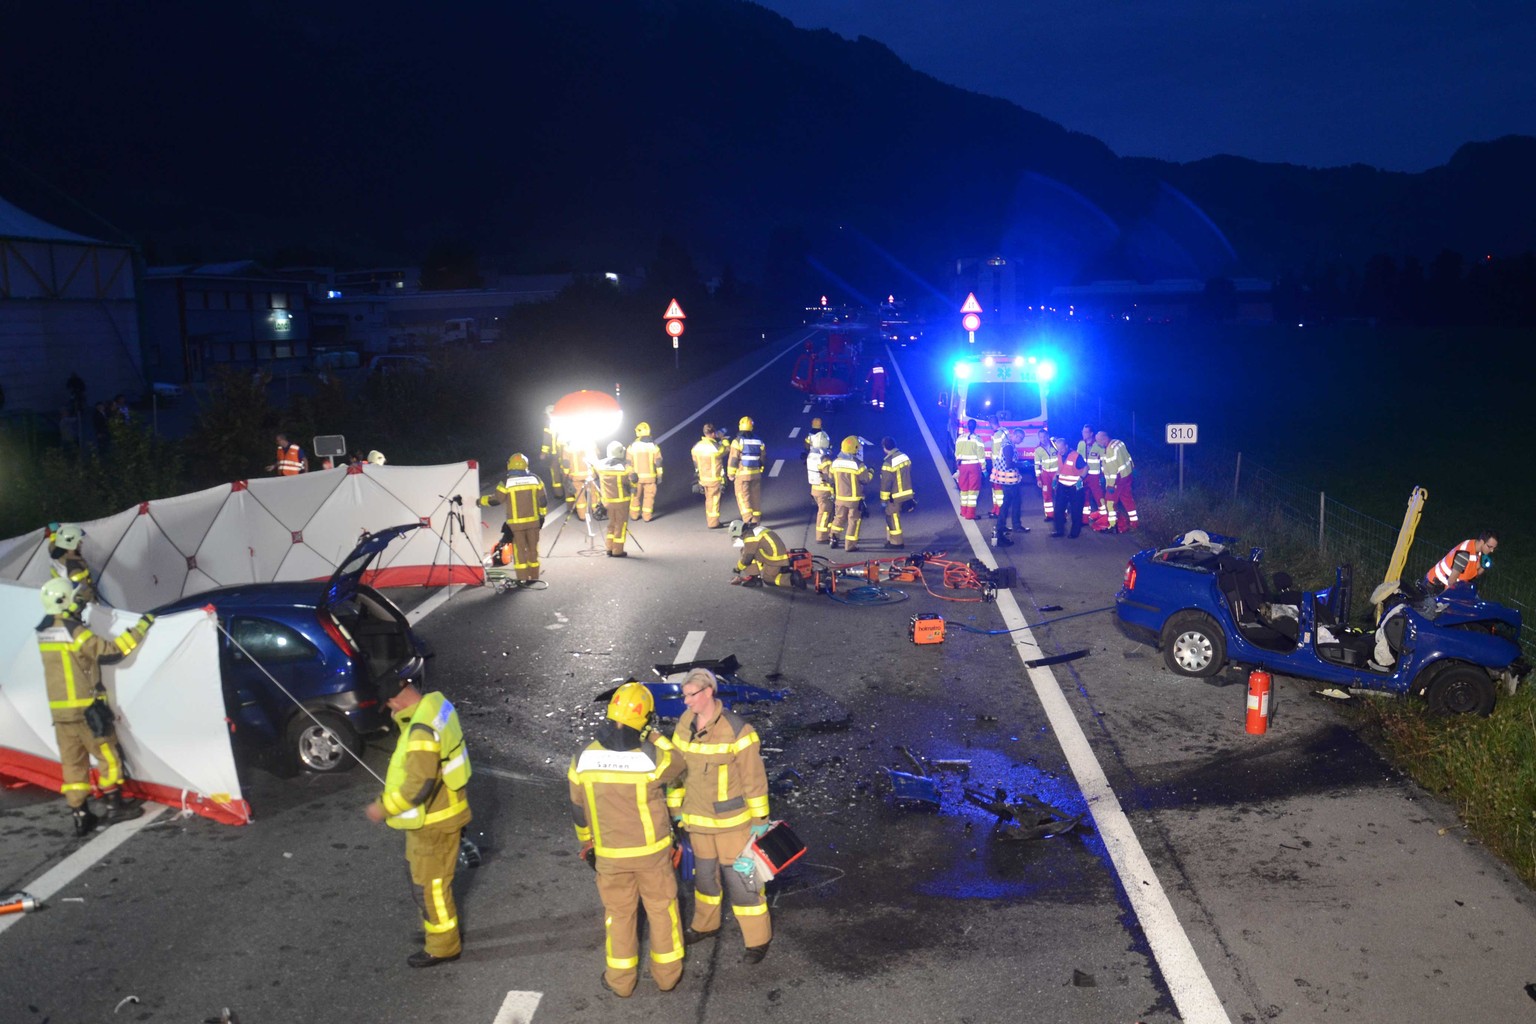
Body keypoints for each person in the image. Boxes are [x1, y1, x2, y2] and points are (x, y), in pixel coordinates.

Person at [568, 682, 686, 998]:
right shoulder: (650, 757)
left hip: (609, 855)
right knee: (662, 911)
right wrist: (656, 735)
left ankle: (620, 981)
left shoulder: (583, 757)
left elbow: (579, 809)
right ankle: (667, 977)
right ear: (643, 720)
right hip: (652, 853)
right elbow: (679, 763)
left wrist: (587, 843)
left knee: (618, 916)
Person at [365, 677, 472, 968]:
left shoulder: (420, 732)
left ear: (396, 700)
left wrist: (382, 808)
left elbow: (418, 787)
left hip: (433, 822)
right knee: (425, 881)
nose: (390, 712)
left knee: (431, 888)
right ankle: (436, 929)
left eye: (389, 706)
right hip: (446, 811)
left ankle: (442, 945)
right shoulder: (437, 705)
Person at [35, 578, 153, 837]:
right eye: (76, 599)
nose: (79, 603)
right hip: (85, 710)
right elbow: (110, 652)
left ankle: (80, 815)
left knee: (72, 764)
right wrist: (141, 628)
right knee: (107, 756)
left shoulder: (44, 631)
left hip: (60, 713)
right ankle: (114, 807)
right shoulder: (73, 630)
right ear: (65, 601)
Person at [670, 667, 773, 964]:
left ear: (708, 692)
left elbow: (754, 781)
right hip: (698, 823)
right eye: (684, 695)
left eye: (691, 695)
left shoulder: (738, 730)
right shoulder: (684, 724)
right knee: (704, 880)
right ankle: (705, 925)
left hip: (733, 826)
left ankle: (758, 940)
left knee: (743, 884)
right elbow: (677, 772)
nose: (686, 702)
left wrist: (760, 823)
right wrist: (676, 810)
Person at [478, 453, 549, 583]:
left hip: (516, 525)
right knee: (533, 549)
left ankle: (522, 578)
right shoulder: (536, 479)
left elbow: (496, 500)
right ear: (525, 465)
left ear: (509, 465)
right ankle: (534, 577)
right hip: (533, 522)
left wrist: (480, 501)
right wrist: (542, 516)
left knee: (519, 551)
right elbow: (543, 501)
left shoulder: (506, 482)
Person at [824, 435, 873, 552]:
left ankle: (833, 538)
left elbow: (831, 477)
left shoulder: (835, 463)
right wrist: (871, 472)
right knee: (853, 521)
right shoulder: (858, 465)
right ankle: (850, 545)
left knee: (838, 518)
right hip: (854, 500)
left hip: (840, 498)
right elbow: (865, 480)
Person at [595, 440, 637, 557]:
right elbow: (634, 478)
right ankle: (617, 550)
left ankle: (609, 548)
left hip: (606, 502)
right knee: (620, 526)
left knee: (611, 525)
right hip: (621, 502)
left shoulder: (600, 466)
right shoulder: (625, 467)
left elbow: (593, 473)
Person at [48, 523, 104, 611]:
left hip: (65, 601)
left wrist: (55, 532)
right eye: (78, 541)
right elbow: (84, 593)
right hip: (81, 607)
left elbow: (53, 544)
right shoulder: (74, 566)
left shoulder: (57, 554)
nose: (81, 543)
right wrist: (96, 606)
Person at [1425, 533, 1498, 595]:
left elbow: (1473, 575)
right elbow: (1451, 581)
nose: (1491, 551)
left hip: (1450, 586)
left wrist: (1483, 567)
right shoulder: (1464, 554)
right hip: (1435, 586)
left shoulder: (1477, 550)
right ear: (1482, 542)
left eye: (1494, 548)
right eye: (1489, 547)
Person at [729, 519, 796, 587]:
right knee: (745, 550)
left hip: (774, 558)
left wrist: (738, 568)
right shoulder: (754, 529)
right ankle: (758, 576)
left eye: (737, 536)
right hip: (778, 553)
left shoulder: (750, 537)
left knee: (767, 579)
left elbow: (747, 558)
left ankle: (792, 579)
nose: (739, 538)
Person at [727, 416, 765, 528]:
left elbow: (733, 459)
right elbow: (763, 457)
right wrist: (760, 470)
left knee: (743, 497)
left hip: (742, 475)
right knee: (755, 498)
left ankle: (749, 521)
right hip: (756, 474)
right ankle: (757, 522)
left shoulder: (737, 441)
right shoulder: (759, 440)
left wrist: (731, 474)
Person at [879, 436, 915, 549]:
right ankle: (891, 539)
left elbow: (886, 483)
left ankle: (896, 542)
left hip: (895, 495)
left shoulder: (888, 463)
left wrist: (883, 499)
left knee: (892, 517)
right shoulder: (904, 457)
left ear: (885, 448)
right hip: (907, 492)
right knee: (893, 516)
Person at [1098, 430, 1138, 531]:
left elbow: (1112, 470)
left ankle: (1113, 525)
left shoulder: (1110, 450)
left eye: (1098, 440)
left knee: (1110, 502)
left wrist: (1110, 485)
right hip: (1127, 475)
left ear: (1104, 438)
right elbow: (1128, 457)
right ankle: (1134, 523)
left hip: (1117, 479)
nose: (1098, 443)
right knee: (1127, 499)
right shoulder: (1119, 443)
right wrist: (1133, 469)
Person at [691, 423, 728, 528]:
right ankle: (713, 523)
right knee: (714, 500)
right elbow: (726, 449)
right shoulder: (715, 447)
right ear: (713, 433)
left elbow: (695, 461)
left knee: (709, 500)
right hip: (714, 478)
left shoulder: (696, 447)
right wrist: (723, 438)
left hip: (702, 478)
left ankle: (711, 520)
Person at [991, 436, 1026, 548]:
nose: (1021, 440)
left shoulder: (1008, 444)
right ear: (1016, 435)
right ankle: (1002, 529)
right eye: (1021, 438)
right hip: (1009, 480)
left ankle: (1008, 526)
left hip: (1008, 479)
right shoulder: (1008, 446)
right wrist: (1022, 464)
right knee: (1010, 503)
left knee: (1010, 502)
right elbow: (1009, 464)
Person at [627, 422, 663, 522]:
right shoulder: (654, 446)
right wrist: (659, 475)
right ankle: (647, 516)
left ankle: (634, 515)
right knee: (649, 498)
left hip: (636, 478)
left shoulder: (632, 446)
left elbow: (628, 463)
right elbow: (658, 462)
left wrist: (630, 474)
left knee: (635, 497)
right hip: (650, 477)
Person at [953, 419, 987, 520]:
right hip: (974, 467)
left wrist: (958, 467)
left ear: (967, 426)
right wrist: (984, 469)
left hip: (962, 466)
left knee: (963, 489)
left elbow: (956, 454)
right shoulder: (978, 439)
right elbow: (981, 456)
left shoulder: (960, 438)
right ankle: (970, 514)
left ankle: (963, 511)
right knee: (973, 491)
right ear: (975, 427)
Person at [1052, 437, 1084, 538]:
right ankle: (1059, 530)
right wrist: (1055, 478)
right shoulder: (1059, 455)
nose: (1060, 451)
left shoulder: (1076, 456)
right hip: (1062, 485)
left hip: (1075, 487)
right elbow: (1061, 468)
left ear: (1066, 446)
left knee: (1076, 510)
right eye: (1058, 449)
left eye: (1061, 449)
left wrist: (1081, 478)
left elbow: (1086, 467)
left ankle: (1075, 533)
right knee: (1058, 509)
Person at [1078, 425, 1109, 531]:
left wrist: (1104, 476)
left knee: (1099, 497)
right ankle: (1084, 520)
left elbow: (1104, 462)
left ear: (1091, 434)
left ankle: (1104, 519)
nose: (1084, 434)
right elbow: (1077, 460)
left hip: (1095, 476)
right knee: (1084, 498)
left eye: (1086, 432)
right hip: (1083, 476)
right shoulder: (1081, 444)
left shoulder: (1098, 445)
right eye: (1083, 431)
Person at [806, 437, 836, 543]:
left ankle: (827, 533)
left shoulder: (811, 455)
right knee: (824, 513)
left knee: (826, 512)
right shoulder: (824, 459)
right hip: (824, 490)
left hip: (815, 489)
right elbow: (829, 475)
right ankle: (822, 537)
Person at [561, 438, 597, 522]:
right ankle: (596, 511)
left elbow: (566, 463)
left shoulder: (568, 448)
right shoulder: (590, 444)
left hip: (576, 476)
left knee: (579, 496)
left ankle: (582, 516)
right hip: (589, 474)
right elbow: (595, 459)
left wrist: (566, 475)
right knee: (594, 493)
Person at [987, 413, 1012, 519]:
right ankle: (996, 509)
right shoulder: (1004, 431)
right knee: (997, 490)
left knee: (997, 489)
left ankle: (999, 511)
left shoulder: (997, 435)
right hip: (1003, 465)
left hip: (998, 466)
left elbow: (996, 453)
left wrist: (994, 467)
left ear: (991, 424)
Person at [540, 404, 566, 500]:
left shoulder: (549, 423)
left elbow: (547, 439)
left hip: (555, 454)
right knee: (565, 472)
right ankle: (568, 492)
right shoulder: (563, 421)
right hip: (564, 453)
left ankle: (559, 494)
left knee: (555, 474)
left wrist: (543, 453)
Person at [1033, 432, 1059, 523]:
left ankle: (1062, 514)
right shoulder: (1038, 450)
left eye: (1044, 436)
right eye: (1040, 437)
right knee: (1046, 494)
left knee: (1059, 494)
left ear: (1047, 436)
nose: (1043, 439)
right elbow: (1037, 465)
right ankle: (1050, 515)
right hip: (1045, 475)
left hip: (1057, 474)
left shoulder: (1055, 445)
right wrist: (1038, 479)